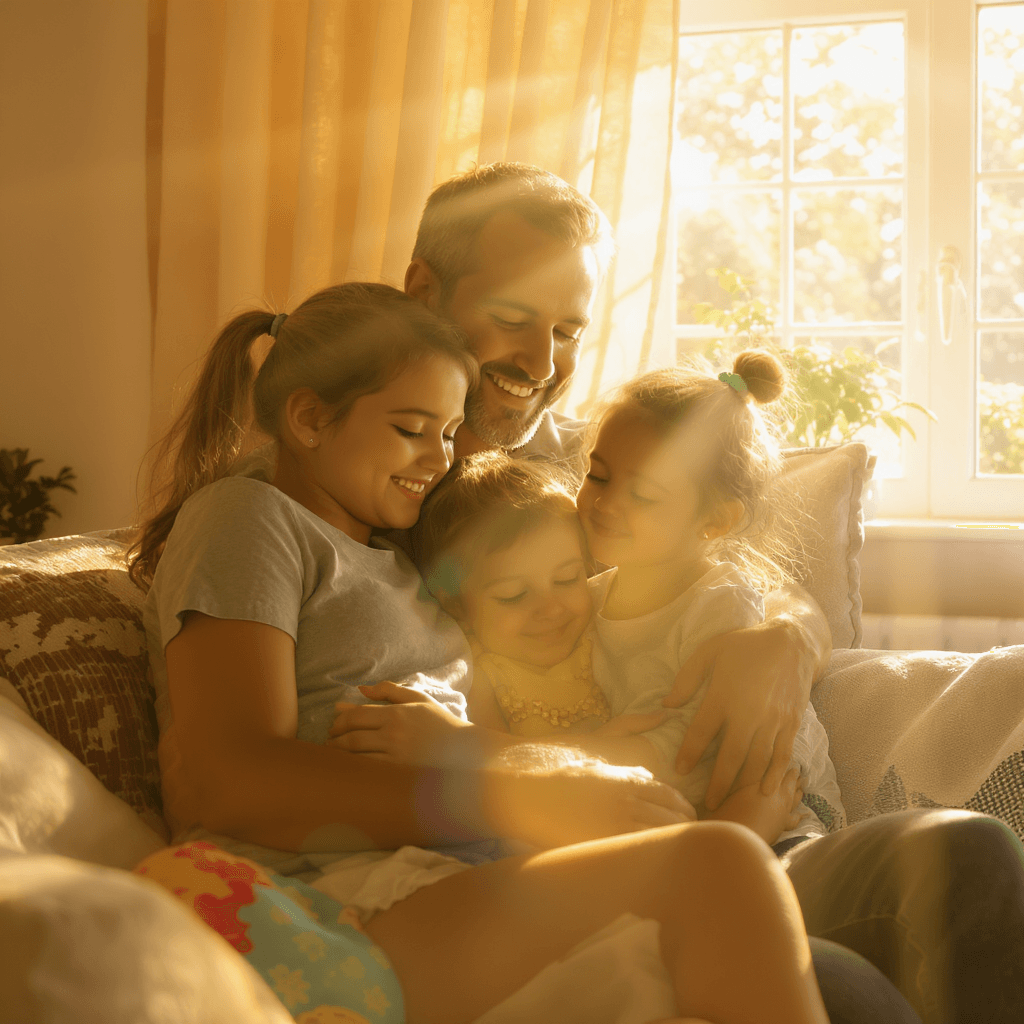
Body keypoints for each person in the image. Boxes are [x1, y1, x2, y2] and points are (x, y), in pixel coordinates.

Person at [332, 163, 1024, 1023]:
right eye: (512, 319)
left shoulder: (575, 468)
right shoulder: (349, 485)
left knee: (970, 851)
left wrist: (785, 638)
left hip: (713, 832)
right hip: (611, 861)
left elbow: (728, 573)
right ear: (423, 291)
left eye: (568, 330)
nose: (542, 363)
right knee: (842, 983)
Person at [129, 281, 831, 1023]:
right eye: (412, 429)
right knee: (719, 865)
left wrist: (789, 627)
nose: (438, 459)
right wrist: (519, 795)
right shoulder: (249, 515)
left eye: (449, 432)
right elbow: (225, 780)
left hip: (462, 869)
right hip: (330, 896)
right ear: (308, 418)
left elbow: (687, 568)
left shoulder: (407, 550)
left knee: (778, 951)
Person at [404, 442, 814, 850]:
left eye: (568, 579)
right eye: (513, 595)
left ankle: (731, 846)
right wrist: (599, 749)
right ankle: (730, 849)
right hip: (571, 820)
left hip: (659, 800)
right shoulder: (481, 675)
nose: (551, 609)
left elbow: (685, 727)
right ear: (456, 604)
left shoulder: (601, 621)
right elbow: (500, 770)